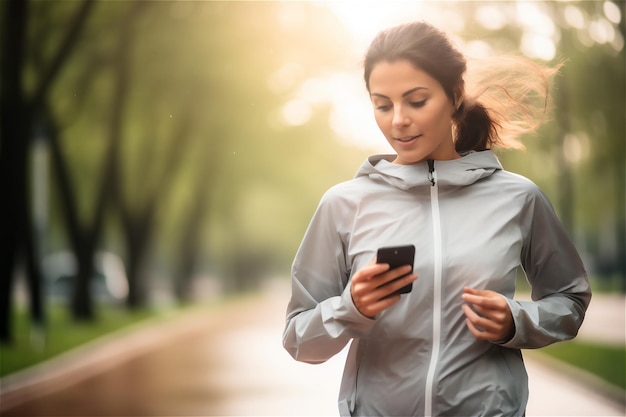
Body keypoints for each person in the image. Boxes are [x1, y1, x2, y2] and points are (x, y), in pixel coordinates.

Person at [282, 21, 591, 417]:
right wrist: (351, 307)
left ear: (455, 94)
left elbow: (570, 299)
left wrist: (518, 321)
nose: (398, 121)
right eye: (383, 104)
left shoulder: (518, 198)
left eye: (416, 100)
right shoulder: (343, 204)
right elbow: (298, 340)